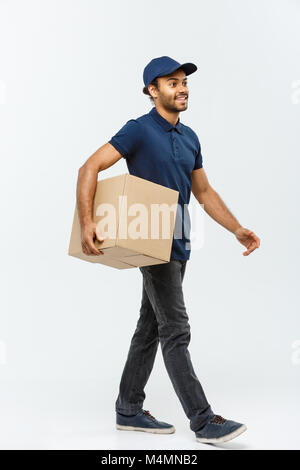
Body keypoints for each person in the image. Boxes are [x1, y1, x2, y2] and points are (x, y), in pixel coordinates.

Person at [76, 56, 260, 444]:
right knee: (176, 329)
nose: (182, 88)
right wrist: (88, 221)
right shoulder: (138, 130)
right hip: (149, 239)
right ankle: (203, 420)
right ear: (152, 91)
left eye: (184, 82)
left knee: (150, 326)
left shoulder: (190, 137)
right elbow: (89, 167)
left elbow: (204, 192)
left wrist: (236, 228)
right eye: (172, 83)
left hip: (179, 240)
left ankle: (128, 409)